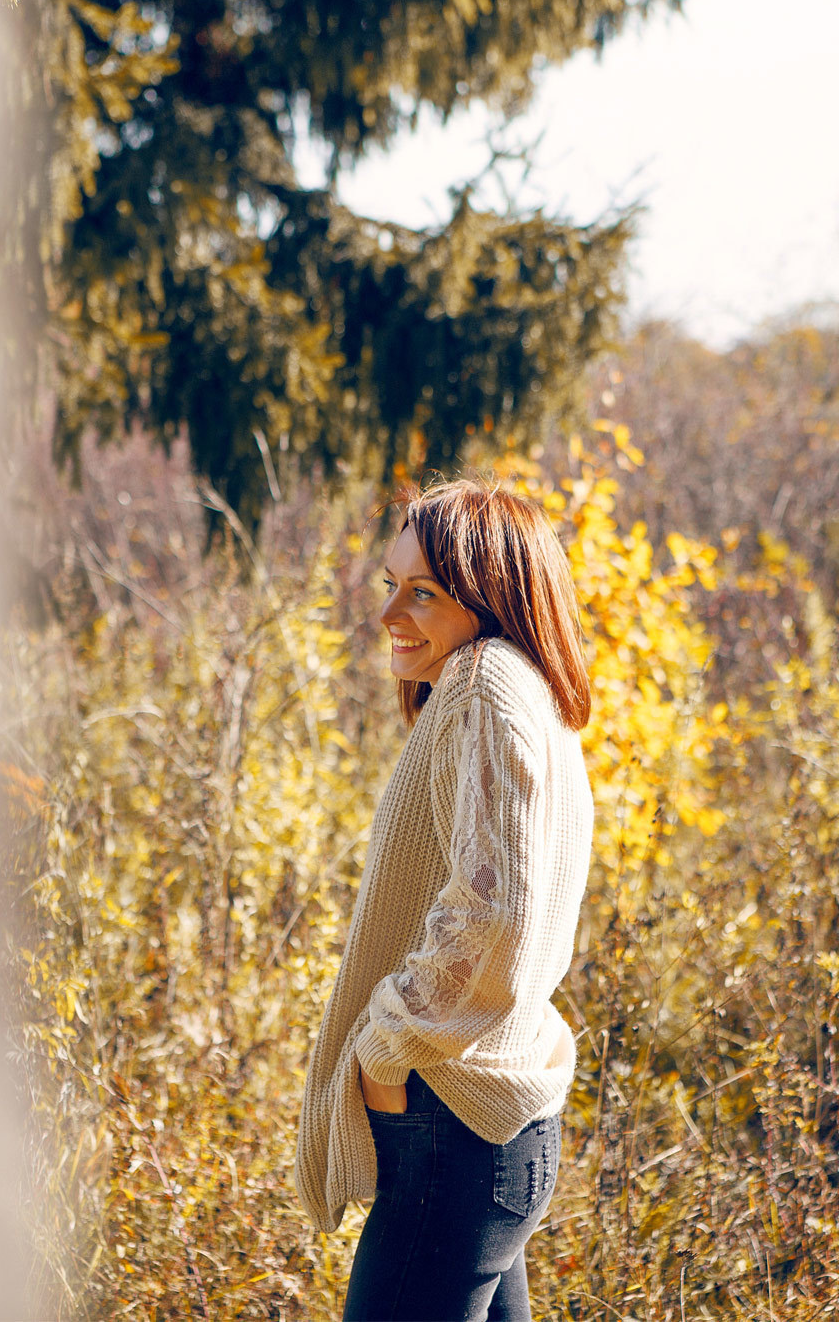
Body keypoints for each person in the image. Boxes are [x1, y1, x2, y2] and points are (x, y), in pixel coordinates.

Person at [294, 479, 596, 1322]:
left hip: (450, 1121)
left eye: (423, 591)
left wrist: (387, 1046)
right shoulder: (527, 686)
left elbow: (492, 911)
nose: (392, 612)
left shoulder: (482, 684)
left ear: (490, 597)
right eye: (390, 584)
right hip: (495, 1121)